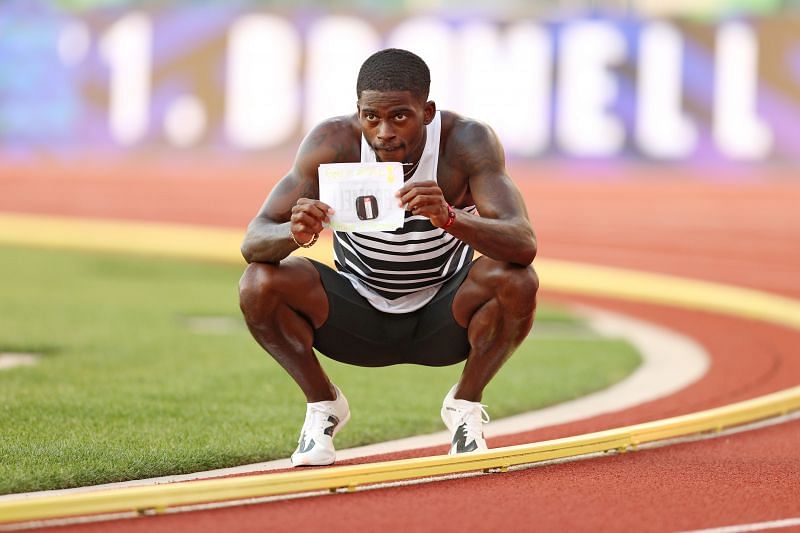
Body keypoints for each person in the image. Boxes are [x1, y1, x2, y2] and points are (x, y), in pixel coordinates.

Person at [239, 48, 538, 466]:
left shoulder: (466, 142)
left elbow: (522, 243)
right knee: (259, 282)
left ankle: (465, 406)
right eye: (371, 117)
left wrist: (450, 218)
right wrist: (295, 231)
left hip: (443, 314)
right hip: (356, 312)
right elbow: (254, 240)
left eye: (400, 116)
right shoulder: (333, 142)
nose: (383, 133)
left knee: (517, 280)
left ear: (428, 112)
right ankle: (323, 406)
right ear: (357, 112)